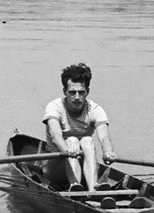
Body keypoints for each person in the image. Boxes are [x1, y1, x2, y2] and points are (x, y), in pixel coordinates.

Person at [43, 62, 116, 191]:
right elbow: (56, 136)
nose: (77, 97)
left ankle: (93, 189)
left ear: (87, 92)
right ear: (65, 91)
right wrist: (67, 150)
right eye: (72, 92)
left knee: (87, 140)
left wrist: (108, 152)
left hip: (83, 166)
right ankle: (74, 186)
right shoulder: (54, 107)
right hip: (56, 167)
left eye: (81, 92)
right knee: (72, 140)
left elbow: (104, 137)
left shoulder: (95, 110)